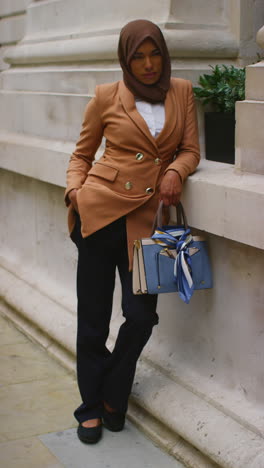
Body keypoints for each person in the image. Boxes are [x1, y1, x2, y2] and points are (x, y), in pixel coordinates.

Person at [65, 19, 200, 444]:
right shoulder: (107, 96)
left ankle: (112, 393)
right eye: (137, 56)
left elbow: (192, 149)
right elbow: (81, 154)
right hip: (99, 217)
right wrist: (74, 193)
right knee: (93, 320)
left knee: (142, 317)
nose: (147, 64)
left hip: (147, 223)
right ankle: (92, 406)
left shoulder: (182, 91)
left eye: (154, 53)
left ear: (164, 54)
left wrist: (176, 169)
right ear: (125, 58)